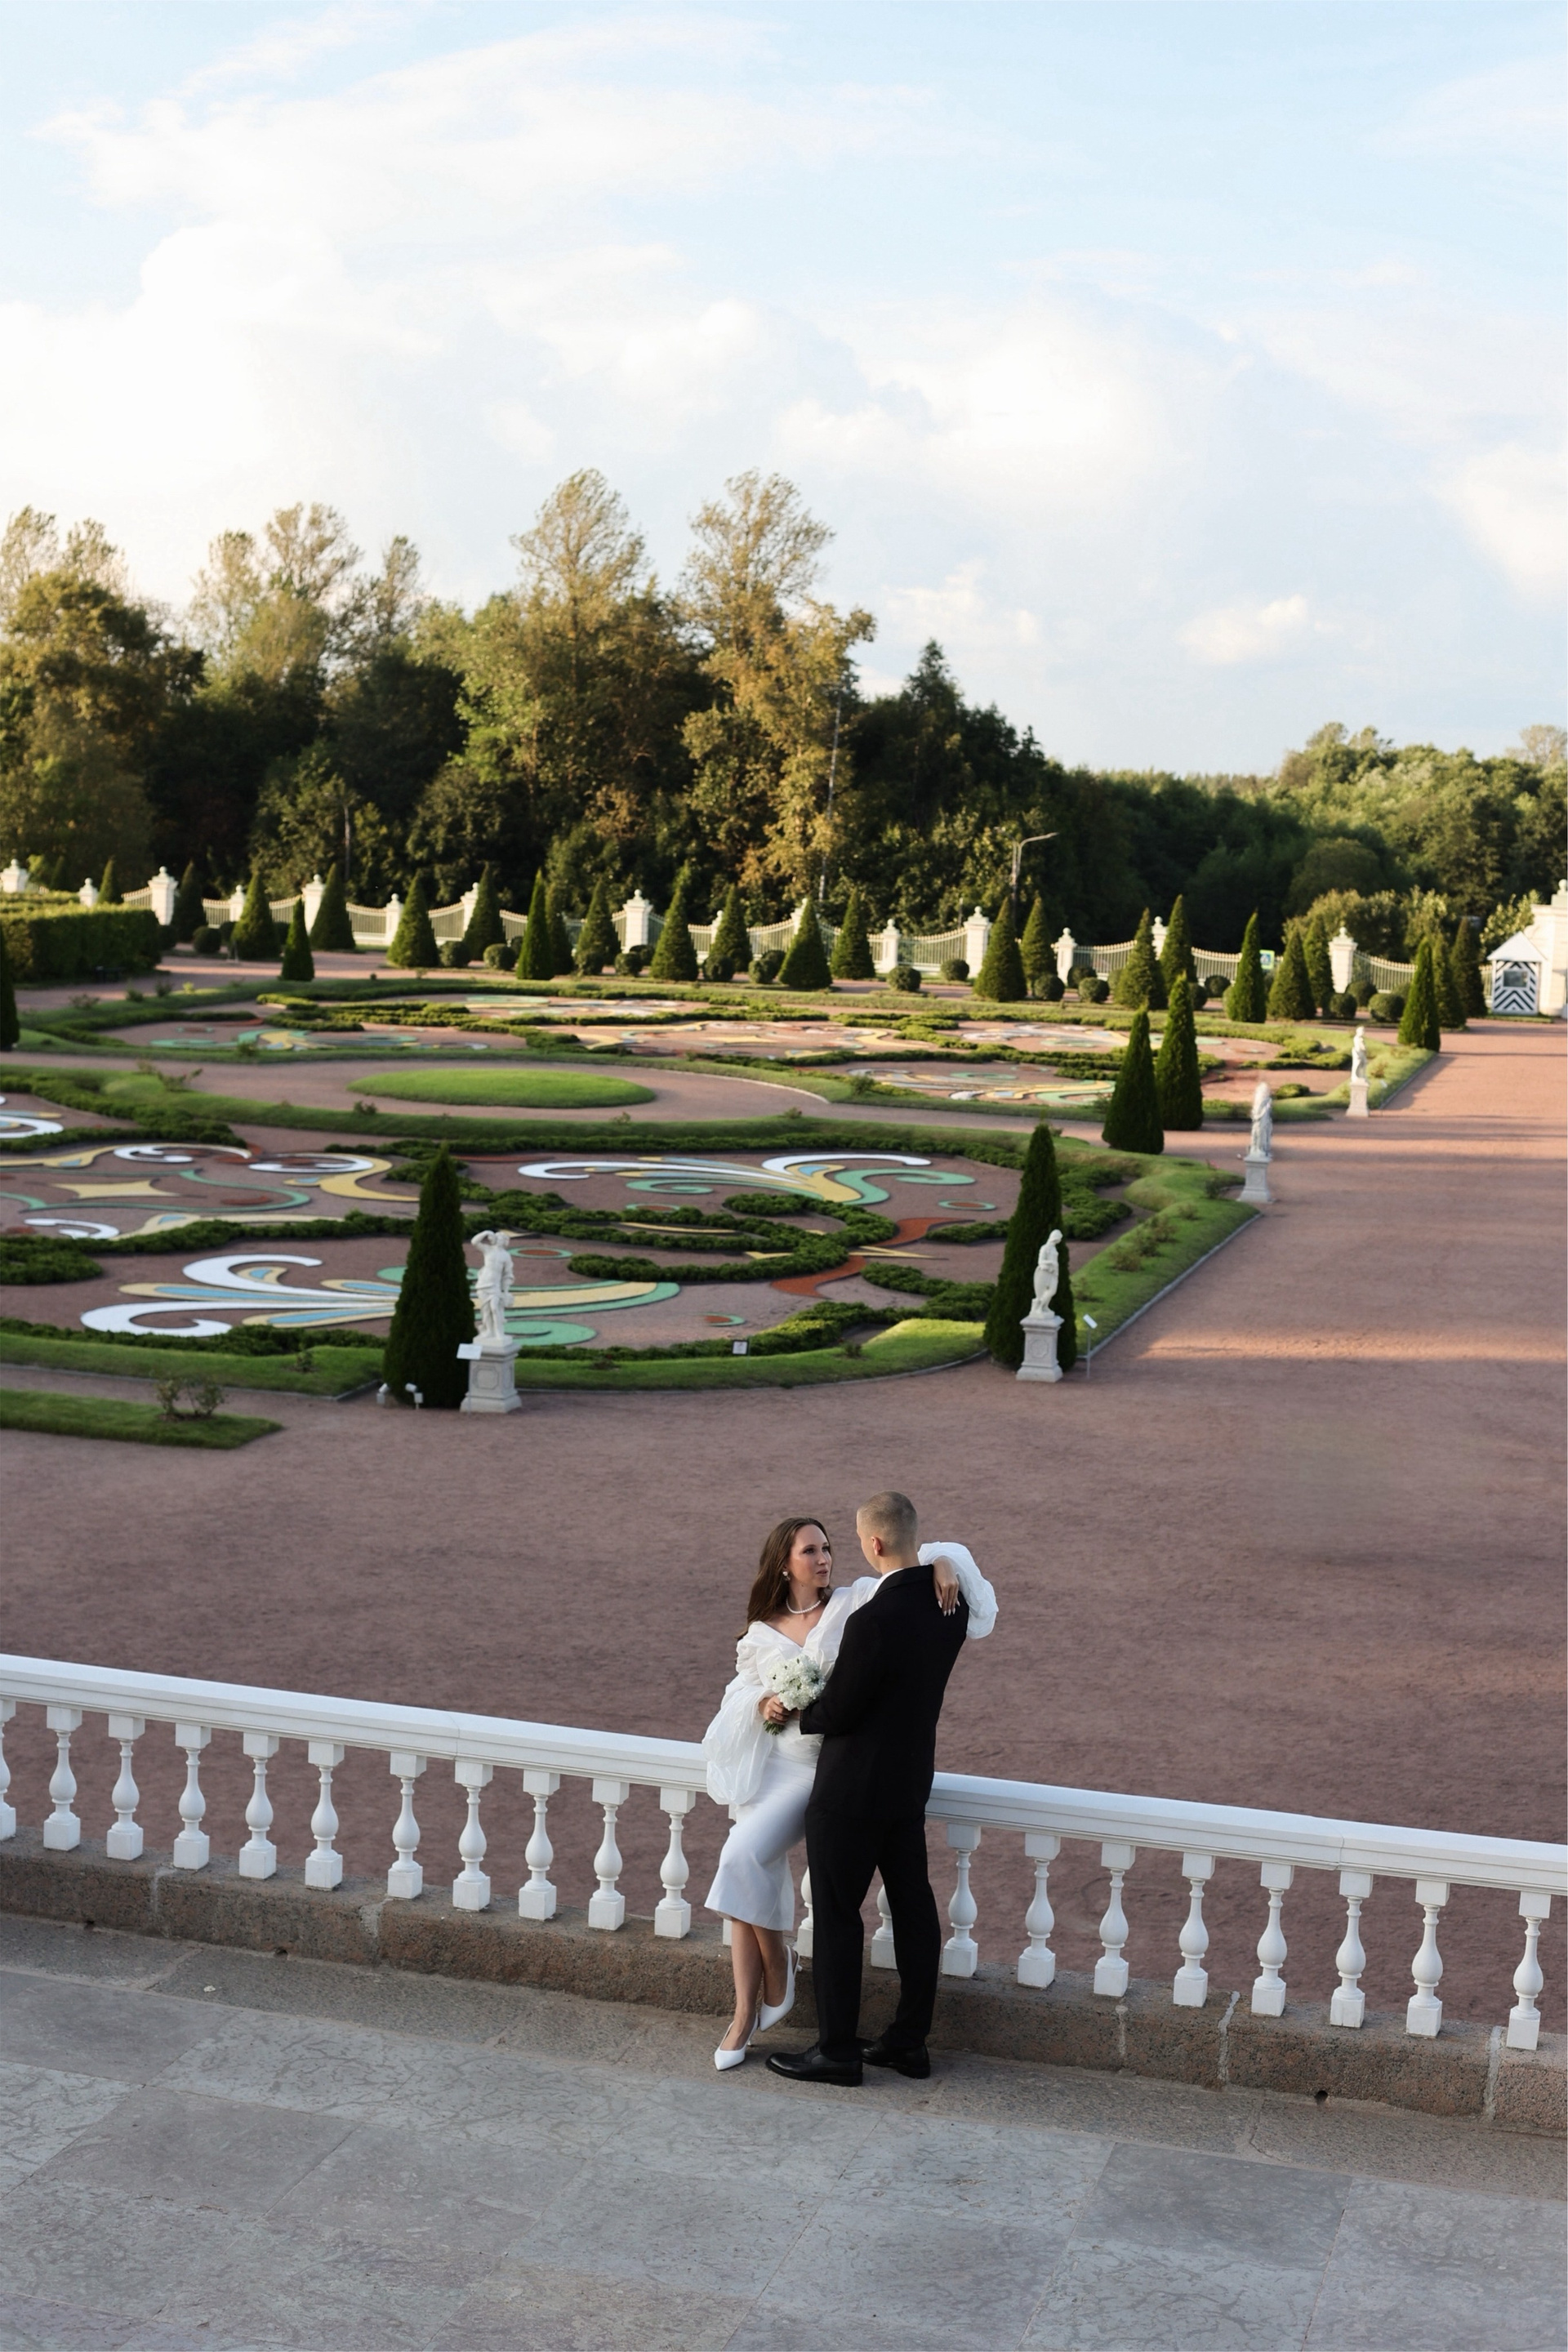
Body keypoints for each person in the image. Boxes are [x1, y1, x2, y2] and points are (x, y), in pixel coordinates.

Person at [702, 1512, 995, 2072]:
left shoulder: (856, 1602)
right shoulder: (760, 1631)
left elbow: (903, 1564)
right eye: (810, 1551)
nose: (824, 1558)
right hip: (786, 1767)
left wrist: (942, 1562)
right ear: (783, 1564)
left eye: (828, 1547)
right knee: (747, 1864)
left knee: (756, 1866)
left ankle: (797, 2005)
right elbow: (738, 1691)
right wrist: (763, 1702)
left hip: (828, 1770)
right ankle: (752, 2005)